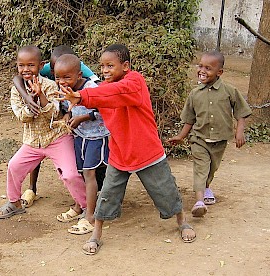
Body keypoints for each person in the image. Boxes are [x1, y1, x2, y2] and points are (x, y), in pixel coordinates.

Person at [57, 44, 196, 255]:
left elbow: (117, 93)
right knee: (108, 195)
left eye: (110, 65)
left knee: (166, 189)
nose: (104, 70)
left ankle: (182, 221)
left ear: (126, 66)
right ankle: (96, 235)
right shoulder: (102, 88)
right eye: (102, 66)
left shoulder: (134, 81)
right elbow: (102, 96)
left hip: (146, 150)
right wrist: (81, 98)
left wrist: (83, 97)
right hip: (120, 152)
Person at [0, 45, 87, 220]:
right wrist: (30, 103)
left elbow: (54, 113)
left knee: (70, 175)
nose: (26, 69)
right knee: (14, 166)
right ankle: (14, 202)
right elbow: (21, 116)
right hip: (32, 140)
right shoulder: (17, 90)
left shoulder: (51, 85)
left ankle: (86, 207)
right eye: (21, 65)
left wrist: (39, 98)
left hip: (57, 137)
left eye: (31, 65)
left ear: (40, 66)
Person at [12, 45, 101, 209]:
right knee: (34, 147)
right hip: (49, 120)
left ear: (78, 71)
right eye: (54, 72)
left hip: (71, 126)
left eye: (65, 74)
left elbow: (98, 100)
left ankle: (87, 201)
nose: (57, 76)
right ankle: (31, 188)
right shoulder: (40, 68)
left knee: (83, 164)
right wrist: (29, 98)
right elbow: (18, 78)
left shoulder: (88, 78)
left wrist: (74, 115)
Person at [167, 51, 252, 217]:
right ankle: (199, 201)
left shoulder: (229, 91)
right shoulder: (194, 94)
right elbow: (189, 120)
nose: (202, 70)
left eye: (208, 68)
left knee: (211, 169)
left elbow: (241, 112)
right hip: (198, 139)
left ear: (219, 72)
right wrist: (181, 136)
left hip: (220, 140)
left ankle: (206, 187)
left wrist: (239, 131)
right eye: (200, 66)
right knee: (201, 168)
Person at [53, 54, 110, 235]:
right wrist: (68, 117)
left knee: (90, 173)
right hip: (80, 135)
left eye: (67, 77)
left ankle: (91, 216)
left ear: (79, 75)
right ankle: (79, 206)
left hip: (96, 136)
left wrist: (83, 117)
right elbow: (66, 110)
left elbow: (104, 109)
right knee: (79, 172)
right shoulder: (64, 89)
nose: (62, 81)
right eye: (58, 77)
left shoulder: (92, 87)